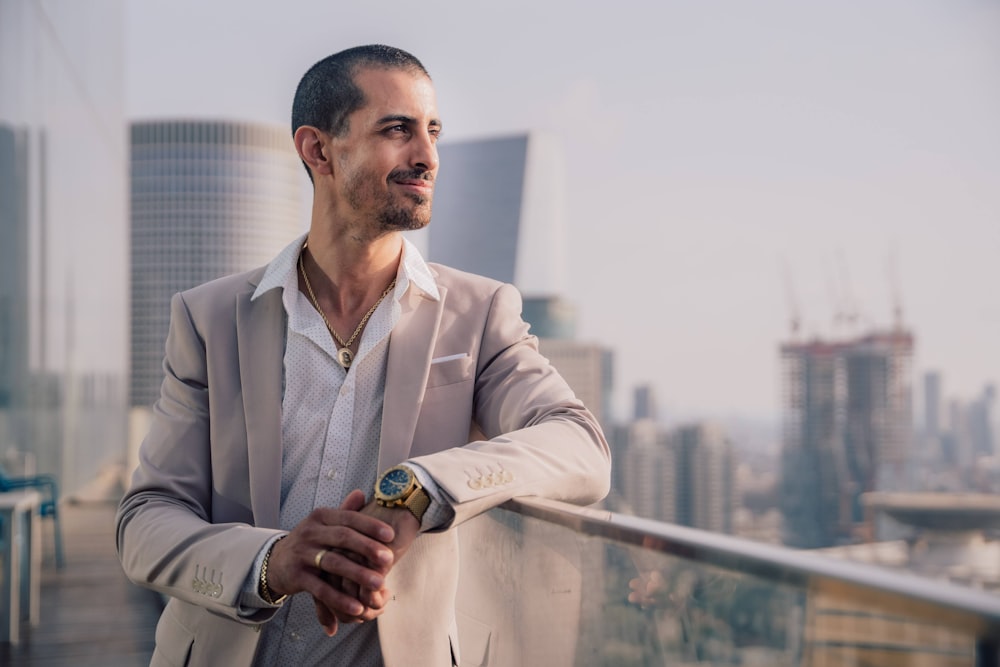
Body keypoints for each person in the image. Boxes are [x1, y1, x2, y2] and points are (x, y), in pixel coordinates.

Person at [115, 44, 611, 666]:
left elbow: (580, 444)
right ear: (319, 150)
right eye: (397, 130)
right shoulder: (209, 318)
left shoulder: (481, 314)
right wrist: (269, 563)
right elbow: (147, 518)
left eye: (433, 131)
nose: (427, 156)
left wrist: (419, 491)